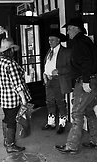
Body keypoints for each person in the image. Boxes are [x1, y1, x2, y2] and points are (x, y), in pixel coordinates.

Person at [55, 17, 97, 154]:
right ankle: (95, 140)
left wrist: (85, 81)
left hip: (86, 81)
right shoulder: (84, 41)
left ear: (75, 28)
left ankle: (71, 146)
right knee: (89, 111)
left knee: (77, 113)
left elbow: (86, 62)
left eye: (68, 29)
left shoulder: (79, 42)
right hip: (91, 80)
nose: (67, 32)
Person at [0, 37, 32, 153]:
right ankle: (10, 144)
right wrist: (24, 100)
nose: (14, 51)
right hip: (12, 98)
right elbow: (17, 84)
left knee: (7, 118)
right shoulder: (10, 63)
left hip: (2, 98)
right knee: (12, 121)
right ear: (10, 50)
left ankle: (6, 140)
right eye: (12, 49)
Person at [42, 29, 72, 134]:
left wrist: (59, 71)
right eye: (49, 40)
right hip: (49, 80)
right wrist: (44, 74)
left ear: (58, 40)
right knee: (49, 101)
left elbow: (71, 67)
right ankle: (51, 122)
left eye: (52, 40)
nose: (50, 42)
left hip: (59, 80)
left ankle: (62, 123)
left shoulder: (66, 52)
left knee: (60, 102)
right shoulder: (49, 51)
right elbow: (47, 64)